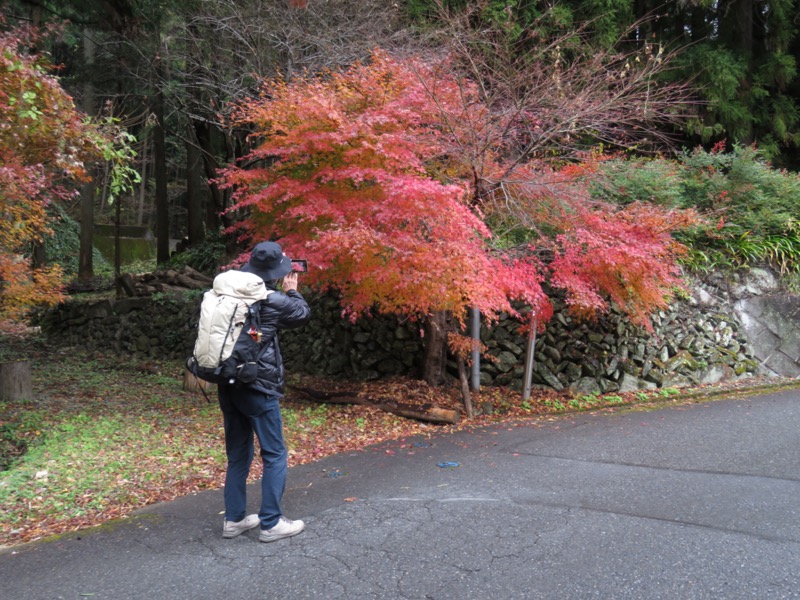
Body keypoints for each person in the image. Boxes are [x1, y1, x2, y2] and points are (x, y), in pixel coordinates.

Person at [218, 241, 311, 543]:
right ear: (276, 272)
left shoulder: (227, 294)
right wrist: (293, 288)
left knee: (238, 455)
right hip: (257, 387)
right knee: (274, 453)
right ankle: (271, 523)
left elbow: (253, 334)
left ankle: (233, 520)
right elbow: (301, 313)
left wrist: (260, 333)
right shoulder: (272, 300)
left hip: (227, 380)